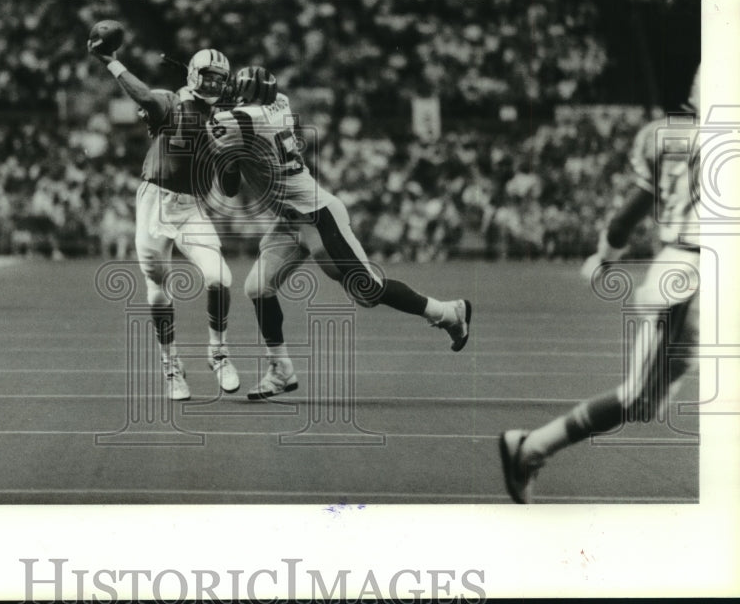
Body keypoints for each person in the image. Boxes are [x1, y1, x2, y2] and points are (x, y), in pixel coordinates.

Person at [206, 66, 472, 401]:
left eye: (240, 94)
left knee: (368, 291)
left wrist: (213, 126)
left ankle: (448, 312)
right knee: (258, 287)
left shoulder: (248, 120)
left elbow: (222, 154)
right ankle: (280, 369)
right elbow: (231, 176)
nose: (234, 96)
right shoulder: (278, 104)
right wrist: (227, 152)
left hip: (318, 216)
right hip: (290, 221)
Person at [499, 69, 701, 503]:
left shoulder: (663, 137)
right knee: (637, 398)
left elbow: (625, 216)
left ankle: (531, 446)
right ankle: (530, 446)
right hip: (694, 275)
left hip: (684, 270)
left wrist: (604, 256)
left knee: (644, 404)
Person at [88, 37, 239, 400]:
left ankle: (217, 351)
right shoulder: (172, 101)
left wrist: (232, 149)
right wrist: (111, 61)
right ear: (192, 74)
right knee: (158, 291)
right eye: (208, 76)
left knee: (220, 277)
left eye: (221, 79)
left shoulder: (225, 119)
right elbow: (143, 98)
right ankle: (171, 364)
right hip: (155, 201)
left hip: (191, 207)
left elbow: (231, 187)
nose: (214, 84)